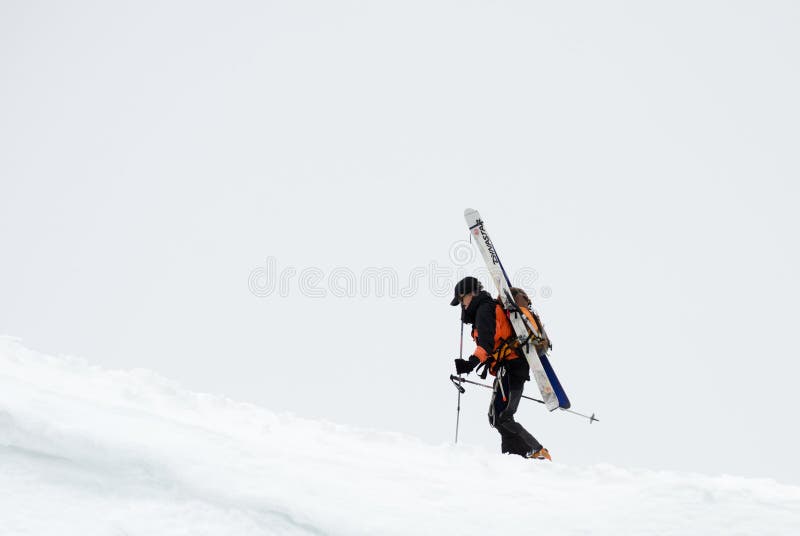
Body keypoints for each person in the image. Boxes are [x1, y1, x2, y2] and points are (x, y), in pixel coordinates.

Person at [450, 276, 551, 460]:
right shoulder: (486, 309)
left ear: (472, 293)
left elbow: (486, 346)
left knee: (500, 417)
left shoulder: (484, 309)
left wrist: (469, 364)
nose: (461, 305)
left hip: (511, 366)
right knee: (500, 416)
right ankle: (514, 457)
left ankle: (535, 451)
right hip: (515, 367)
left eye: (461, 299)